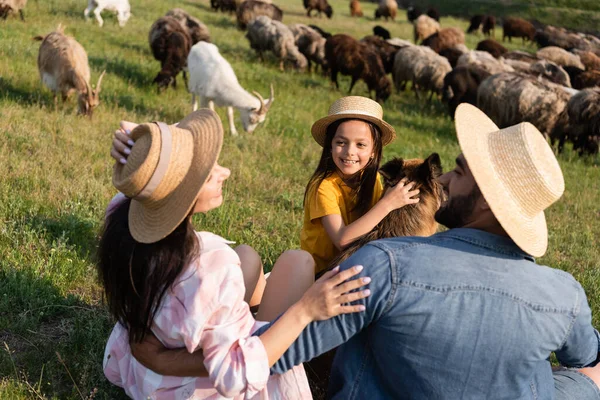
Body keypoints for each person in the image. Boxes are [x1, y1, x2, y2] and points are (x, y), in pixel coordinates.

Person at [130, 104, 600, 399]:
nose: (445, 181)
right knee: (590, 378)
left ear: (488, 203)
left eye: (459, 173)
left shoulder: (386, 264)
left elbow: (282, 350)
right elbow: (586, 355)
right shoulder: (565, 293)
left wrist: (159, 358)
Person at [99, 109, 371, 399]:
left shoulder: (124, 220)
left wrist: (143, 148)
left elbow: (143, 184)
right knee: (298, 262)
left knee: (248, 256)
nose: (224, 172)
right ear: (180, 193)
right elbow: (235, 375)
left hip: (149, 381)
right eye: (208, 172)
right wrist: (306, 309)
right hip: (203, 388)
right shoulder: (211, 263)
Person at [302, 96, 420, 274]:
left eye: (360, 145)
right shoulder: (323, 188)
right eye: (341, 142)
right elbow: (342, 240)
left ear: (374, 151)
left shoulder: (372, 180)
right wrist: (388, 203)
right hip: (319, 275)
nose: (350, 152)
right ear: (330, 146)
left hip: (355, 267)